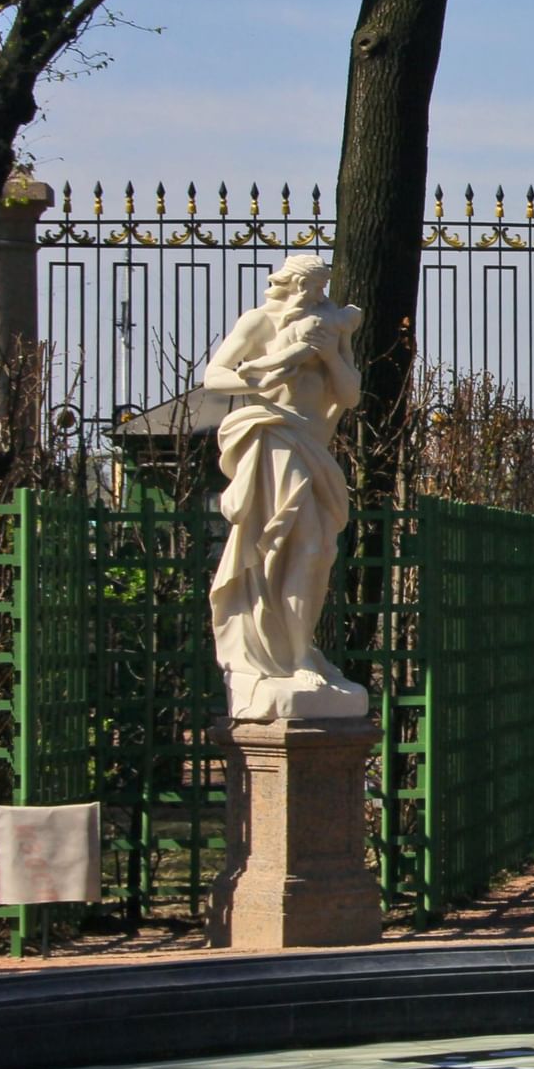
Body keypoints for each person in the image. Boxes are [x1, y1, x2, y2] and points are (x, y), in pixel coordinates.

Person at [204, 255, 368, 720]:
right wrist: (271, 369)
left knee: (317, 553)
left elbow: (350, 395)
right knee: (291, 544)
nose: (311, 297)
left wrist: (331, 353)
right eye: (305, 287)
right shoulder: (258, 321)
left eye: (318, 289)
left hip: (312, 445)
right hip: (272, 437)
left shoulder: (329, 324)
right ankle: (291, 658)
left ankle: (297, 650)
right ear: (287, 284)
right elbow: (213, 377)